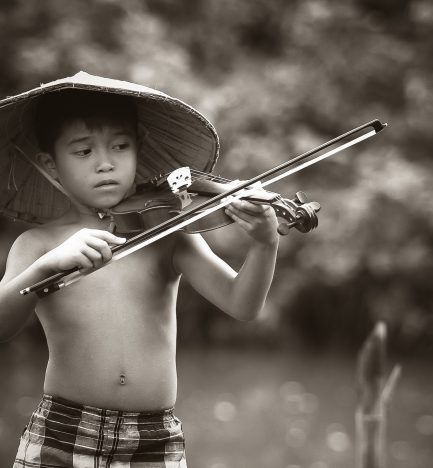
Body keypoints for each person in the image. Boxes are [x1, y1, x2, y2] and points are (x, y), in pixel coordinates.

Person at [0, 72, 279, 467]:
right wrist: (48, 266)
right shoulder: (38, 245)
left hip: (154, 439)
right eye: (83, 152)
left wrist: (265, 244)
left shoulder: (166, 232)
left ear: (139, 149)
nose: (106, 164)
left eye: (120, 146)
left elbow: (242, 304)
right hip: (64, 431)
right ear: (50, 163)